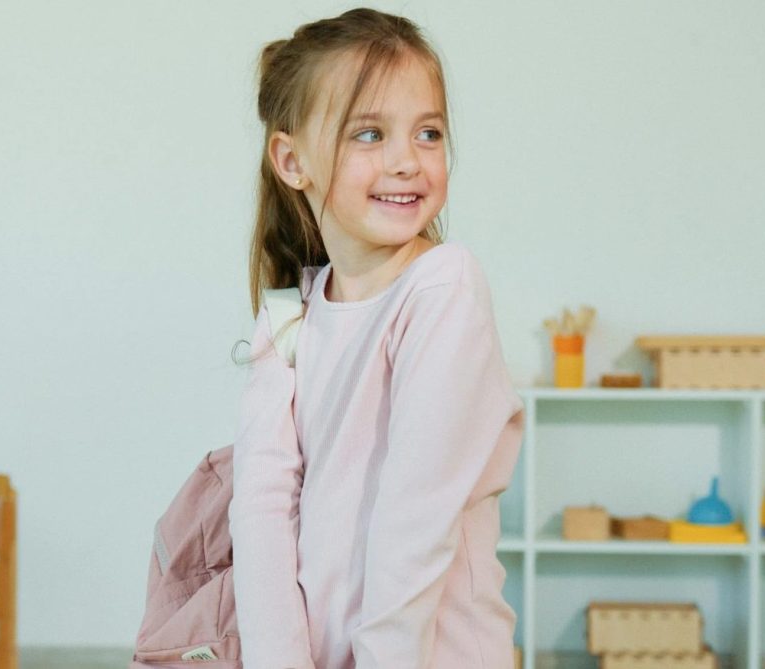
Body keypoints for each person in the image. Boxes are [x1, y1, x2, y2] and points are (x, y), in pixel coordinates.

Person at [227, 7, 525, 669]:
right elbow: (261, 506)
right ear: (291, 160)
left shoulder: (443, 287)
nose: (406, 161)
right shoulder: (286, 308)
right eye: (369, 133)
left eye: (428, 132)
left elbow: (414, 523)